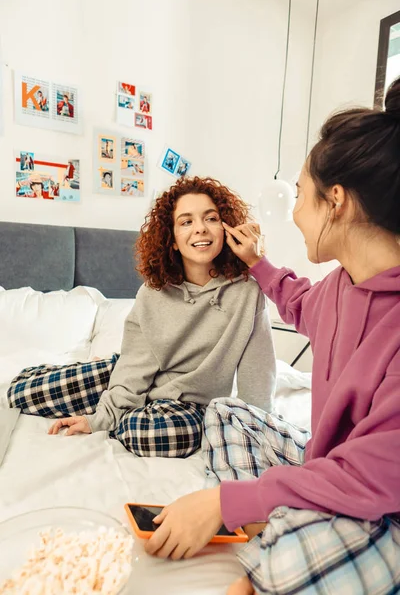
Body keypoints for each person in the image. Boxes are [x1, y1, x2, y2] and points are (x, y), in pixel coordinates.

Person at [143, 78, 400, 594]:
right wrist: (257, 262)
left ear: (337, 202)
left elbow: (370, 478)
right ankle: (281, 526)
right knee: (225, 413)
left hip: (382, 507)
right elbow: (300, 302)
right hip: (327, 467)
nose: (294, 213)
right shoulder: (340, 285)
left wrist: (226, 502)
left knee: (285, 562)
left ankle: (279, 544)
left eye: (300, 195)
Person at [9, 177, 276, 458]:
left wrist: (254, 430)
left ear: (226, 228)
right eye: (186, 222)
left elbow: (258, 375)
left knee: (145, 434)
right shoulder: (154, 292)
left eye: (210, 218)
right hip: (132, 376)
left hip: (192, 405)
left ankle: (119, 407)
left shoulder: (247, 292)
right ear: (171, 239)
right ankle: (100, 394)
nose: (200, 228)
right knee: (20, 392)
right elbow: (136, 365)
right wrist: (104, 415)